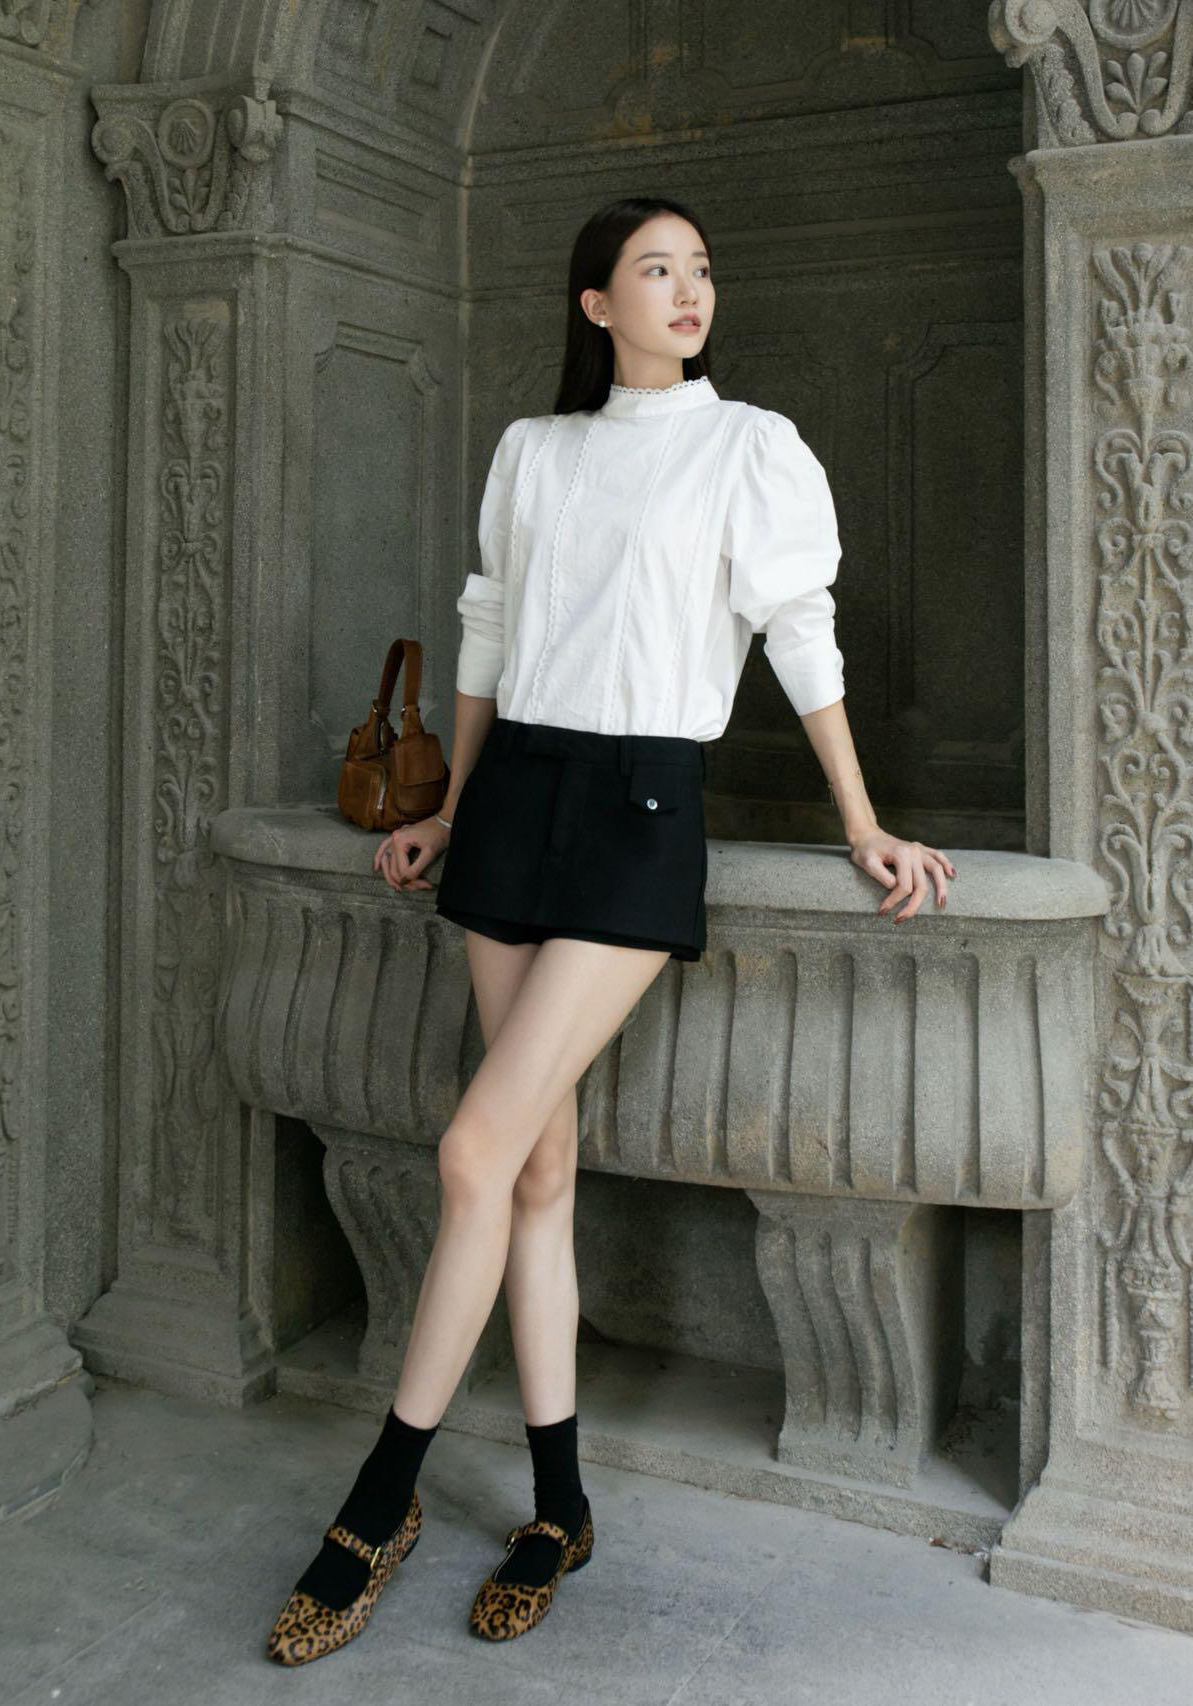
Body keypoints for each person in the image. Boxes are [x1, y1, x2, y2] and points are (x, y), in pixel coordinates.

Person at [265, 194, 957, 1666]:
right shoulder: (535, 451)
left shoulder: (748, 446)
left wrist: (863, 822)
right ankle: (560, 1506)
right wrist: (450, 809)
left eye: (702, 268)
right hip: (515, 799)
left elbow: (800, 633)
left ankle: (377, 1502)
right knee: (533, 1171)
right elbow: (491, 629)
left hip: (644, 811)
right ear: (596, 303)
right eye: (657, 269)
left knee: (472, 1147)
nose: (689, 289)